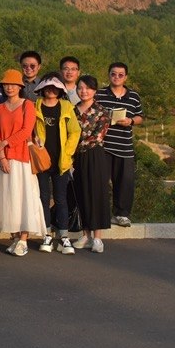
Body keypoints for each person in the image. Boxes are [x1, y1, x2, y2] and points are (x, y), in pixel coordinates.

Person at [0, 69, 46, 255]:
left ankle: (23, 238)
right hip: (4, 159)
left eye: (13, 84)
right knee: (8, 199)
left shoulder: (27, 105)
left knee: (24, 197)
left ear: (20, 87)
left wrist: (6, 142)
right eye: (6, 84)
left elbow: (26, 131)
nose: (9, 87)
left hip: (22, 157)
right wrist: (2, 156)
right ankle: (15, 237)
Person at [34, 74, 81, 254]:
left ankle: (64, 236)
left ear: (60, 89)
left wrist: (68, 154)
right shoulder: (35, 106)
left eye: (55, 87)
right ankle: (46, 234)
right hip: (41, 160)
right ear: (42, 88)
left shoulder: (67, 106)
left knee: (61, 199)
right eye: (47, 87)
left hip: (61, 161)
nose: (51, 90)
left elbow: (75, 131)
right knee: (43, 198)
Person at [95, 62, 143, 227]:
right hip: (104, 146)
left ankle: (121, 214)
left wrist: (130, 121)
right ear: (108, 75)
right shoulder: (100, 94)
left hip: (124, 146)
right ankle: (100, 214)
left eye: (120, 75)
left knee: (125, 182)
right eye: (113, 74)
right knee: (100, 182)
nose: (116, 77)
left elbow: (140, 116)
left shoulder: (133, 96)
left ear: (126, 77)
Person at [72, 75, 112, 253]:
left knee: (96, 194)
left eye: (87, 88)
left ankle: (97, 238)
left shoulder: (102, 111)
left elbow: (98, 136)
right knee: (81, 193)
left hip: (94, 155)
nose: (83, 91)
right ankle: (85, 234)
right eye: (80, 88)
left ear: (94, 90)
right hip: (76, 158)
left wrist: (73, 146)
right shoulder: (72, 110)